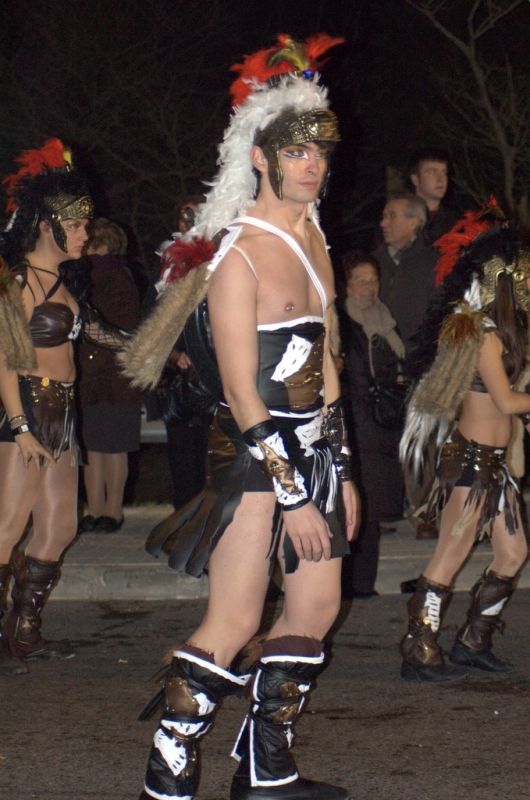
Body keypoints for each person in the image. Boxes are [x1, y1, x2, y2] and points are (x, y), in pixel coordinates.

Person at [121, 34, 359, 800]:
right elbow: (241, 390)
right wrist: (292, 496)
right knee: (233, 619)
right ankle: (168, 770)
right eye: (295, 151)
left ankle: (266, 767)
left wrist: (341, 472)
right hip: (255, 462)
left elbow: (327, 369)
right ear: (259, 157)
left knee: (319, 606)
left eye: (320, 150)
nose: (311, 164)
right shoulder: (237, 257)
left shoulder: (318, 237)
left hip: (317, 453)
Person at [399, 205, 530, 683]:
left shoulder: (508, 335)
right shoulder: (481, 335)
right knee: (448, 558)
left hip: (493, 466)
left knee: (513, 554)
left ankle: (474, 641)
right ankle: (417, 645)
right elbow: (506, 399)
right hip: (471, 464)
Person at [0, 139, 95, 676]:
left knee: (59, 527)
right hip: (28, 413)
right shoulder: (17, 283)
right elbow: (6, 362)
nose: (84, 234)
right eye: (76, 226)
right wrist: (20, 430)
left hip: (62, 412)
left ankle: (25, 631)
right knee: (7, 526)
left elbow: (96, 331)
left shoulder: (61, 283)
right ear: (45, 226)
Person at [339, 251, 405, 597]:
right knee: (352, 507)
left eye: (373, 280)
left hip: (381, 429)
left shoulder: (384, 320)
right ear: (347, 284)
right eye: (361, 280)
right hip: (355, 427)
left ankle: (363, 583)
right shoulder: (342, 323)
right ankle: (347, 583)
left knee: (373, 509)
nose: (369, 287)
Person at [77, 218, 142, 533]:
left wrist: (95, 331)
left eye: (90, 242)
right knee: (92, 447)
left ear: (104, 245)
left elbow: (128, 327)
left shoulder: (118, 276)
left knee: (115, 445)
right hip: (88, 375)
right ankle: (94, 508)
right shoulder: (81, 277)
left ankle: (112, 511)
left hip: (116, 376)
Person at [373, 191, 439, 353]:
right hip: (380, 361)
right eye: (384, 216)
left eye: (392, 216)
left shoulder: (435, 265)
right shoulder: (372, 264)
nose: (383, 223)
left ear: (413, 223)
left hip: (422, 360)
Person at [408, 147, 460, 246]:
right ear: (415, 179)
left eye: (444, 173)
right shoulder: (398, 218)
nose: (440, 179)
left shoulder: (457, 222)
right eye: (432, 172)